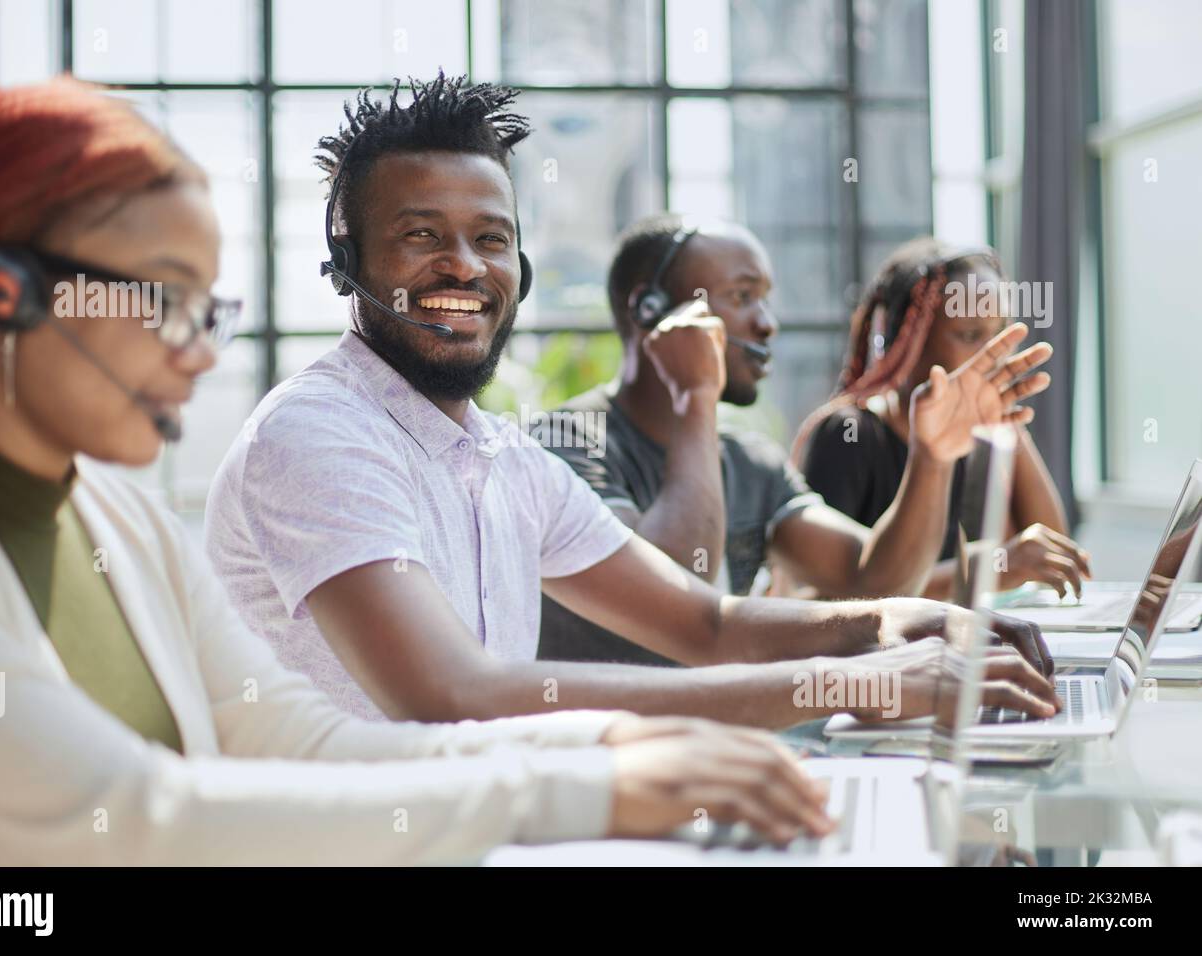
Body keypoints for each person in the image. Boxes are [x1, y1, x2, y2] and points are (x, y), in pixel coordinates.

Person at [0, 79, 837, 865]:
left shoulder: (120, 521)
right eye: (163, 300)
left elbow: (300, 743)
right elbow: (149, 812)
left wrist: (612, 745)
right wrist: (590, 787)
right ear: (4, 294)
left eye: (208, 307)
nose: (198, 353)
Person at [204, 73, 1060, 736]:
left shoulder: (504, 461)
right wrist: (849, 680)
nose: (464, 266)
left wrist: (908, 621)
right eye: (421, 234)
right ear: (347, 263)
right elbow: (450, 694)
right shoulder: (317, 435)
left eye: (492, 238)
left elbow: (708, 622)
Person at [536, 215, 1057, 667]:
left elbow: (874, 578)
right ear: (649, 310)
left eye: (765, 300)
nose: (767, 324)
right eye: (742, 298)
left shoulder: (749, 460)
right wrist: (695, 396)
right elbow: (668, 601)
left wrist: (933, 455)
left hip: (720, 736)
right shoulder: (567, 443)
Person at [795, 237, 1090, 602]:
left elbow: (1052, 557)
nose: (990, 355)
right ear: (905, 340)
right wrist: (990, 569)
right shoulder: (850, 435)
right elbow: (818, 596)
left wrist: (1006, 421)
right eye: (969, 335)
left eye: (999, 335)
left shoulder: (983, 436)